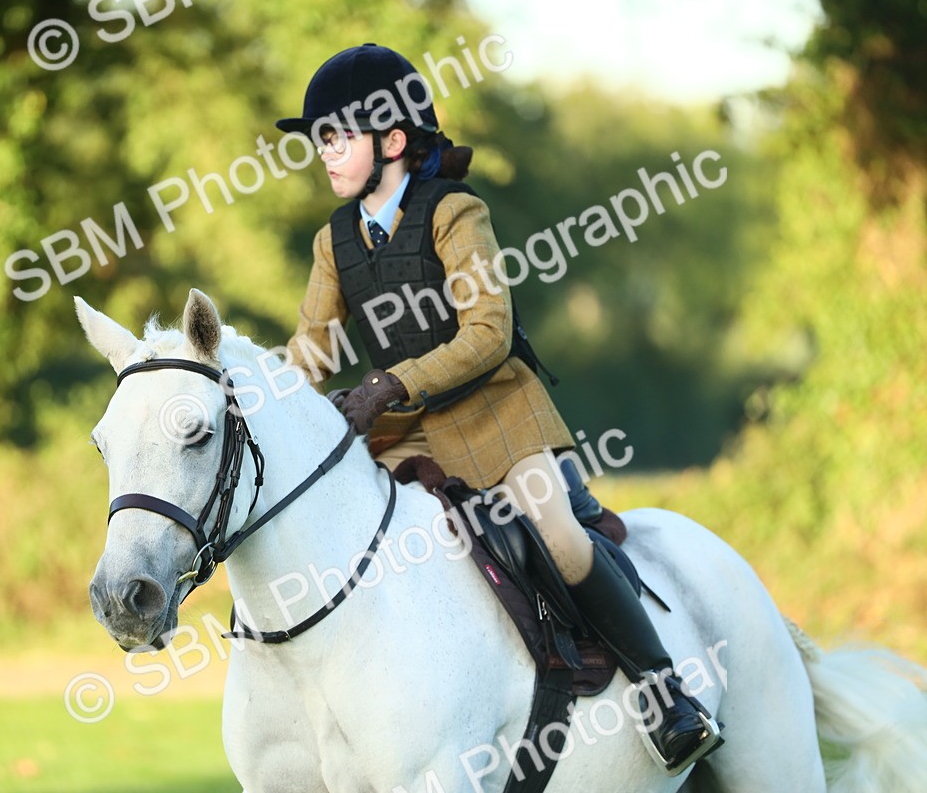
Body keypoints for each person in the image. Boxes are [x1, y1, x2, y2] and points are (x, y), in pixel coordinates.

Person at [277, 43, 723, 774]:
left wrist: (388, 385)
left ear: (392, 142)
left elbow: (486, 332)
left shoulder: (456, 211)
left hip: (497, 412)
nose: (323, 152)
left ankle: (666, 693)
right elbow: (312, 350)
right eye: (318, 139)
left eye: (336, 136)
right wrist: (253, 396)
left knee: (558, 533)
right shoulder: (334, 240)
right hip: (407, 435)